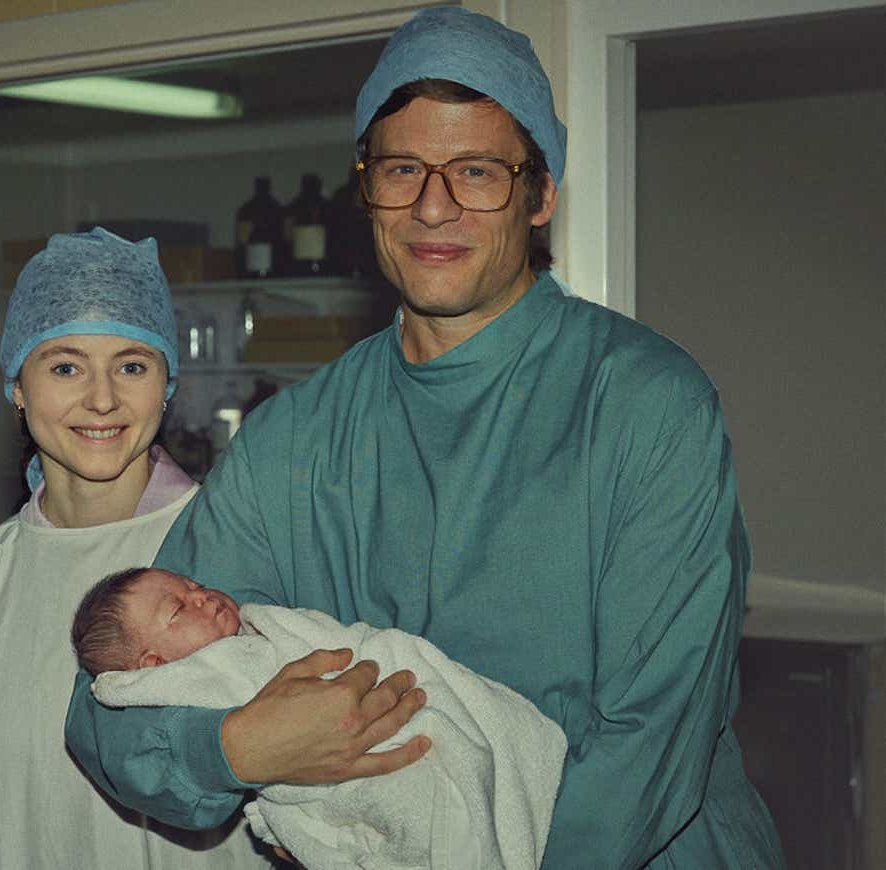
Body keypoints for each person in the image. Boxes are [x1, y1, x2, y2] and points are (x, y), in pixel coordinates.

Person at [66, 8, 786, 868]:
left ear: (541, 193)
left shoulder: (642, 405)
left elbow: (651, 739)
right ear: (365, 189)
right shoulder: (295, 439)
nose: (433, 207)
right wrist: (238, 749)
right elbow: (109, 704)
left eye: (477, 171)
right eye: (403, 169)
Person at [0, 228, 270, 868]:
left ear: (168, 385)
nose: (102, 398)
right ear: (16, 385)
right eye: (65, 366)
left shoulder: (232, 549)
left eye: (132, 366)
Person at [74, 566, 566, 870]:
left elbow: (344, 644)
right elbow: (114, 706)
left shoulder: (264, 629)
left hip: (395, 714)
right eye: (179, 608)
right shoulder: (190, 683)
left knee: (454, 787)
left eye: (196, 585)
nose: (203, 596)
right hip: (331, 790)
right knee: (423, 824)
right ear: (154, 667)